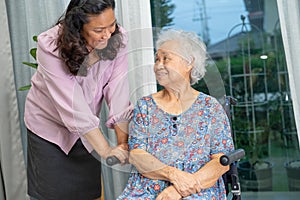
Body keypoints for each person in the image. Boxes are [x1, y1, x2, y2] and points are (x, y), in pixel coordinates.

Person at [24, 0, 133, 199]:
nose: (108, 35)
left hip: (87, 130)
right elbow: (74, 106)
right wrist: (107, 151)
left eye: (112, 25)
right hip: (49, 129)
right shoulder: (50, 45)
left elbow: (118, 89)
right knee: (52, 194)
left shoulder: (118, 39)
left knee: (88, 193)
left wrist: (122, 143)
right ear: (78, 26)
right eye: (99, 29)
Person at [117, 29, 234, 200]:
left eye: (166, 58)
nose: (158, 65)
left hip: (198, 188)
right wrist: (173, 175)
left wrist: (179, 190)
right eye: (157, 59)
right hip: (147, 187)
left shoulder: (210, 107)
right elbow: (136, 154)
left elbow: (221, 162)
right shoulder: (145, 106)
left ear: (189, 63)